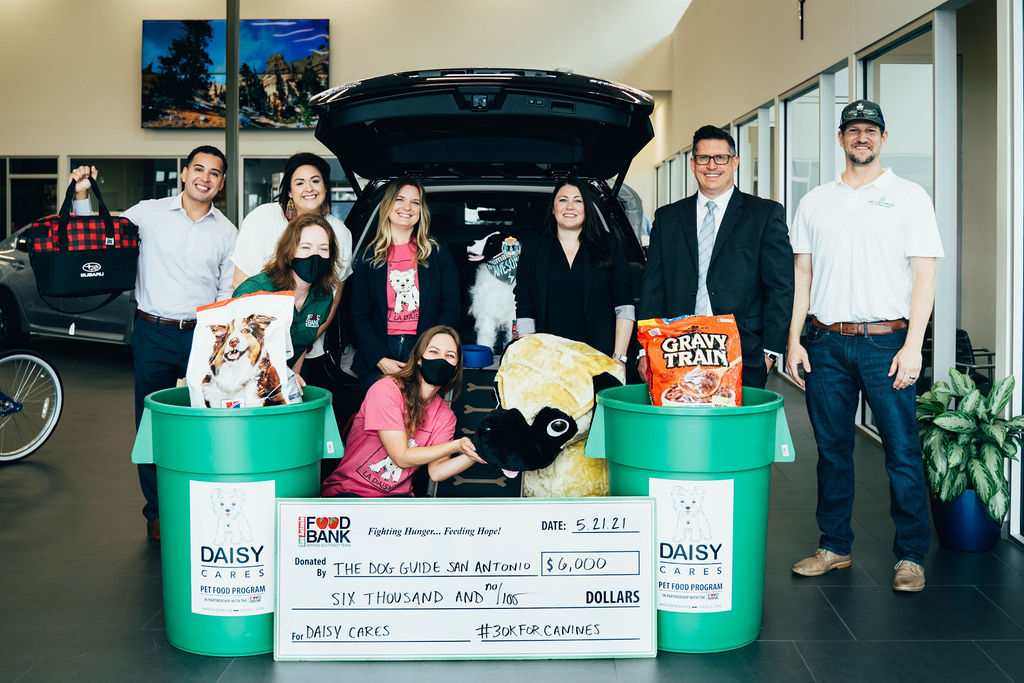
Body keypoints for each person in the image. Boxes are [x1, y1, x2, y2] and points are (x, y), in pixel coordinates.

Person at [786, 100, 943, 592]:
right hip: (827, 344)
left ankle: (912, 556)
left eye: (870, 130)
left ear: (883, 137)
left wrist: (914, 345)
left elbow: (925, 273)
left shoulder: (909, 196)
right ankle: (834, 547)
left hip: (887, 343)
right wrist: (794, 340)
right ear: (840, 139)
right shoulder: (814, 201)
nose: (862, 138)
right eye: (853, 130)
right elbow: (803, 275)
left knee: (901, 451)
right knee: (832, 452)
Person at [69, 147, 237, 543]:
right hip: (153, 332)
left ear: (222, 183)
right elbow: (96, 235)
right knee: (152, 424)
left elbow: (226, 293)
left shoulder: (226, 231)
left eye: (215, 173)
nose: (205, 177)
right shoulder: (148, 213)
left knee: (205, 423)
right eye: (199, 169)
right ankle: (157, 512)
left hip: (202, 337)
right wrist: (80, 194)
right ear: (183, 173)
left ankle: (200, 504)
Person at [637, 125, 793, 389]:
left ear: (734, 162)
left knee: (738, 429)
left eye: (720, 158)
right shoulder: (668, 218)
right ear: (692, 163)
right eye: (703, 158)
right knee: (683, 428)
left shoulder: (763, 215)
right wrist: (644, 349)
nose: (712, 165)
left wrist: (770, 352)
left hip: (743, 351)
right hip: (675, 349)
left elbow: (780, 286)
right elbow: (653, 286)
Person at [231, 153, 353, 387]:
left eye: (316, 181)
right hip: (255, 349)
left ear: (326, 188)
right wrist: (273, 356)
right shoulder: (263, 219)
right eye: (300, 182)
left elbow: (332, 299)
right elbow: (240, 286)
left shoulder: (341, 233)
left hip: (306, 350)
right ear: (288, 190)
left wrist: (299, 347)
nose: (309, 188)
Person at [321, 325, 485, 497]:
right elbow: (400, 456)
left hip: (397, 498)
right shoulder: (386, 390)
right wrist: (456, 445)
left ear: (456, 367)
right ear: (419, 358)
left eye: (450, 356)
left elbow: (437, 472)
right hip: (350, 491)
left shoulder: (445, 416)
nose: (441, 360)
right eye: (434, 352)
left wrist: (476, 453)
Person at [349, 177, 460, 389]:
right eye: (400, 199)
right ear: (388, 205)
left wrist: (428, 353)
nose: (407, 207)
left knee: (417, 419)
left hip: (424, 348)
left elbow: (451, 308)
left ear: (422, 210)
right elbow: (359, 315)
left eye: (415, 202)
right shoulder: (368, 257)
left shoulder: (437, 252)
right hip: (379, 349)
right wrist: (380, 358)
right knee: (382, 417)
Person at [514, 179, 634, 364]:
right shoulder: (534, 247)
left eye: (578, 201)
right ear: (553, 208)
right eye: (563, 200)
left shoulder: (609, 245)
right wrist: (529, 356)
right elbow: (524, 303)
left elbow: (624, 303)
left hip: (600, 358)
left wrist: (619, 358)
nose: (570, 206)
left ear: (587, 208)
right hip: (548, 358)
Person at [232, 213, 341, 382]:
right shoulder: (256, 290)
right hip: (243, 382)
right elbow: (233, 348)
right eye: (305, 247)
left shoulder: (323, 297)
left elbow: (303, 344)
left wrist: (292, 377)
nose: (315, 255)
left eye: (323, 248)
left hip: (281, 381)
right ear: (290, 252)